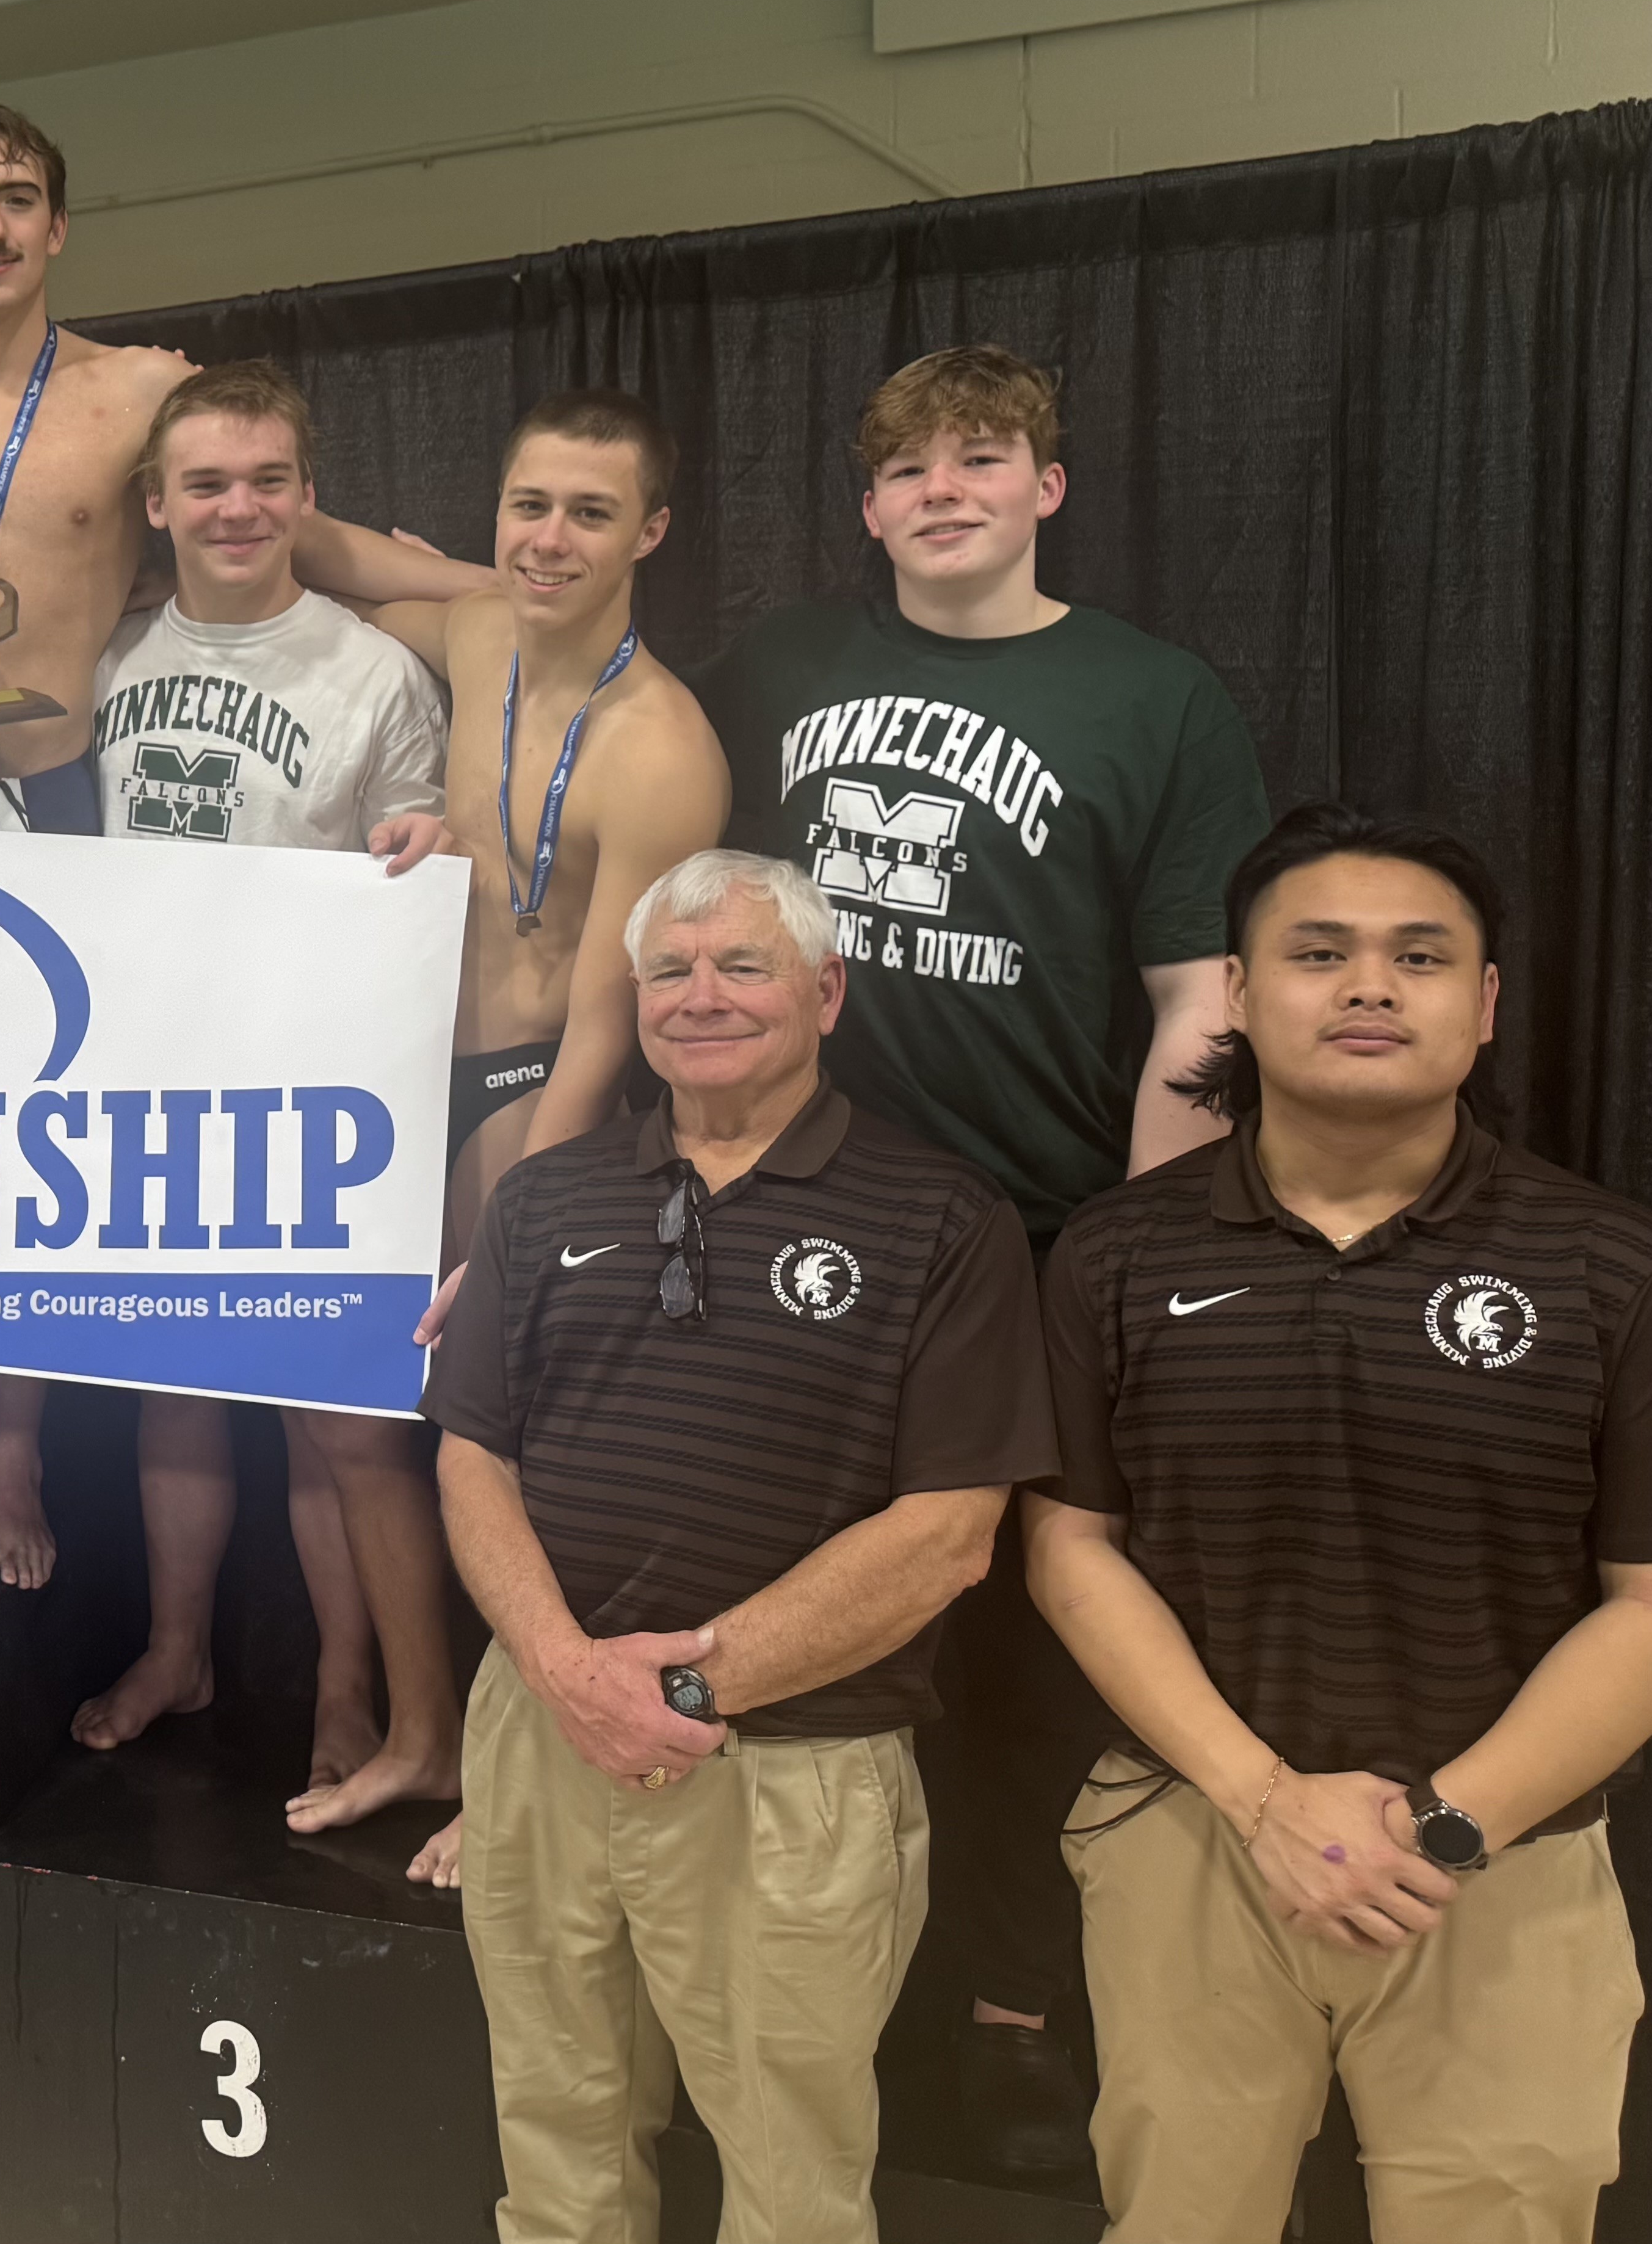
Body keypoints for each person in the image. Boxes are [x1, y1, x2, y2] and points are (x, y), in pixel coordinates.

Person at [699, 342, 1270, 2168]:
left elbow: (1200, 989)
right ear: (863, 507)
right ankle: (794, 2005)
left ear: (1045, 487)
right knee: (805, 1619)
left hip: (1034, 1222)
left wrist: (1125, 1244)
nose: (941, 487)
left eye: (982, 456)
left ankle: (1019, 2010)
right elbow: (613, 788)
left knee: (1023, 1642)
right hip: (799, 1222)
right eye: (906, 467)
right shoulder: (779, 667)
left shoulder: (1148, 696)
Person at [0, 102, 495, 1589]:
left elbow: (316, 541)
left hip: (72, 788)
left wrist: (500, 590)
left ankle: (19, 1466)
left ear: (58, 228)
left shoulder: (147, 391)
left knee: (51, 1130)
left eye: (16, 197)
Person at [1029, 805, 1652, 2244]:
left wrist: (1439, 1827)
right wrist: (1264, 1802)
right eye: (1320, 953)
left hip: (1505, 1859)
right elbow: (1069, 1553)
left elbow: (1643, 1602)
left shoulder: (1611, 1264)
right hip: (1193, 1830)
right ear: (1239, 996)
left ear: (1485, 1005)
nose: (1370, 986)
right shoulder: (1116, 1256)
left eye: (1420, 957)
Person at [424, 848, 1050, 2244]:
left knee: (793, 2184)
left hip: (792, 1777)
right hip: (542, 1739)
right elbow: (473, 1456)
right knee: (557, 2152)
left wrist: (689, 1688)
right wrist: (562, 1670)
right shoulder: (540, 1198)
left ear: (827, 992)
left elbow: (950, 1536)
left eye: (742, 966)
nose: (700, 997)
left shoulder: (944, 1221)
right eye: (670, 971)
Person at [65, 360, 466, 1834]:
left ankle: (345, 1688)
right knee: (172, 1390)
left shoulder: (374, 671)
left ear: (306, 493)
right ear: (158, 504)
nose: (239, 507)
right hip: (147, 1081)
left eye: (268, 479)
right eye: (209, 483)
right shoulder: (101, 661)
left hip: (317, 1092)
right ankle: (181, 1651)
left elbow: (414, 888)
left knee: (335, 1421)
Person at [364, 386, 730, 1881]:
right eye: (529, 506)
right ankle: (422, 1728)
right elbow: (316, 549)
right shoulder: (470, 631)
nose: (551, 538)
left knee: (501, 1436)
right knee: (372, 1425)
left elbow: (602, 1022)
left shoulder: (664, 749)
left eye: (590, 512)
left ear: (649, 531)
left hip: (539, 1089)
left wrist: (516, 1222)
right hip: (395, 1066)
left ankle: (513, 1770)